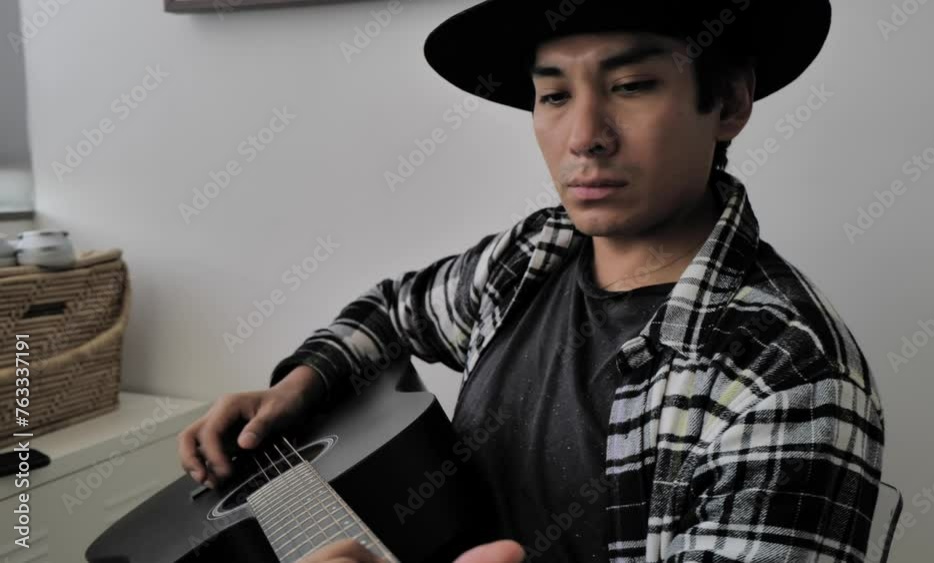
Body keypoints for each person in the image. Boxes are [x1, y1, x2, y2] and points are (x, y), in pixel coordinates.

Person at [179, 0, 886, 561]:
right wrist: (298, 386)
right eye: (552, 95)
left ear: (728, 103)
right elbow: (393, 311)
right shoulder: (535, 254)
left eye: (632, 85)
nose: (584, 135)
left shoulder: (788, 377)